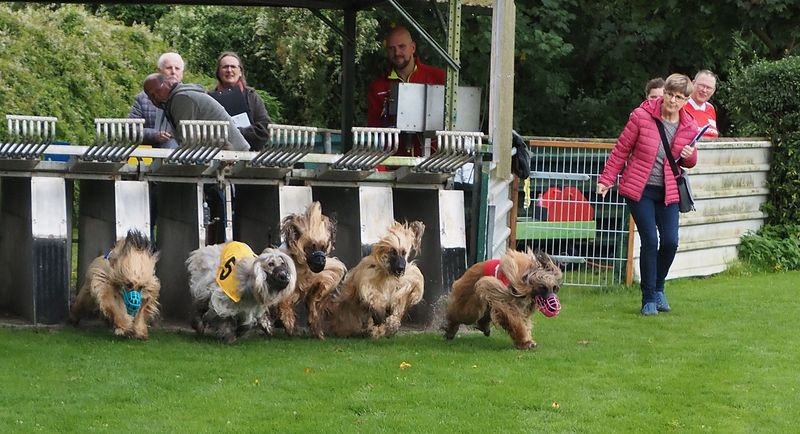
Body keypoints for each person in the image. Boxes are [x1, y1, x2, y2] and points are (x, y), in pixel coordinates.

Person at [596, 73, 699, 316]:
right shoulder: (641, 116)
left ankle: (659, 287)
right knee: (650, 240)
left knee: (671, 242)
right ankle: (649, 298)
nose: (673, 101)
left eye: (679, 97)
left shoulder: (690, 125)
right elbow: (622, 149)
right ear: (664, 93)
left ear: (686, 100)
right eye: (670, 94)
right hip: (639, 189)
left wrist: (690, 155)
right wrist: (606, 180)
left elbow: (689, 161)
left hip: (668, 191)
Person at [366, 25, 446, 157]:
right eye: (391, 48)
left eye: (401, 46)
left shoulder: (437, 77)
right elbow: (374, 130)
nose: (397, 53)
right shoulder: (378, 87)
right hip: (394, 162)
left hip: (433, 160)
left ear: (413, 47)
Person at [142, 73, 250, 151]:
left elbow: (189, 143)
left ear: (168, 83)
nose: (156, 97)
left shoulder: (181, 99)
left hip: (232, 153)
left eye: (158, 91)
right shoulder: (176, 98)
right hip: (226, 150)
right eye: (151, 96)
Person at [209, 52, 271, 151]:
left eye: (233, 67)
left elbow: (264, 128)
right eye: (225, 67)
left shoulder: (252, 96)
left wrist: (237, 133)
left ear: (240, 72)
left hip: (250, 155)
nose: (229, 70)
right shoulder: (209, 99)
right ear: (218, 72)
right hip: (218, 155)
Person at [129, 52, 184, 149]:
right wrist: (154, 135)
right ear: (159, 72)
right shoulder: (143, 98)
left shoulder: (190, 97)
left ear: (182, 73)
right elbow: (131, 129)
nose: (173, 72)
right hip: (152, 151)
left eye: (177, 68)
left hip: (185, 150)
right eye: (169, 68)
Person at [684, 69, 719, 138]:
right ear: (693, 83)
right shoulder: (681, 105)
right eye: (702, 85)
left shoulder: (711, 108)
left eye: (709, 88)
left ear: (713, 91)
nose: (704, 90)